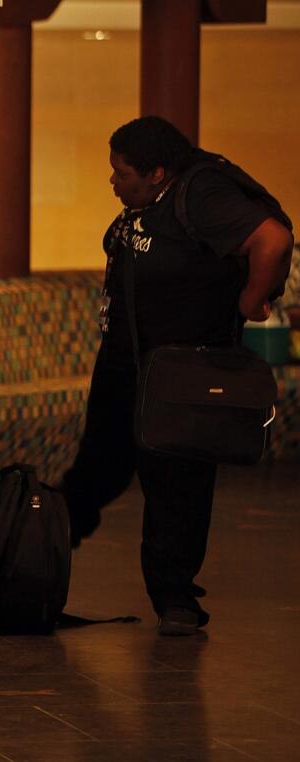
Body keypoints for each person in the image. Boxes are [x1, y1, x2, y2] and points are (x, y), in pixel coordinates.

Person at [63, 116, 293, 636]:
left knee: (176, 482)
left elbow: (272, 241)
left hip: (185, 375)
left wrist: (251, 300)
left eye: (121, 174)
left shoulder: (203, 191)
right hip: (129, 364)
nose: (113, 183)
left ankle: (176, 601)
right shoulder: (152, 202)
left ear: (158, 172)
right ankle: (30, 556)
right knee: (98, 468)